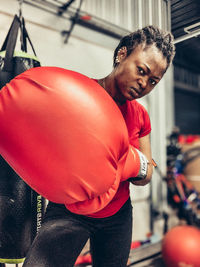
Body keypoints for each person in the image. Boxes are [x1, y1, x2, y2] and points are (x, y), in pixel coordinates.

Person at [22, 25, 175, 267]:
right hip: (68, 210)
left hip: (117, 216)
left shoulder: (140, 115)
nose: (144, 83)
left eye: (153, 81)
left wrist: (129, 162)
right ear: (122, 54)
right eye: (141, 71)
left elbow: (147, 173)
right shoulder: (77, 94)